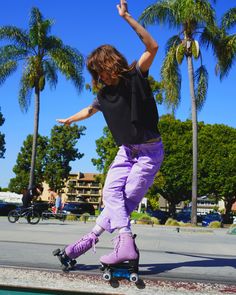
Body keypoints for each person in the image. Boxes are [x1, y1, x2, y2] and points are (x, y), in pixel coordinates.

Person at [55, 0, 164, 269]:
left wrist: (127, 17)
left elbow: (152, 47)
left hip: (149, 153)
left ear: (110, 62)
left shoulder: (136, 75)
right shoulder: (103, 96)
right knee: (111, 195)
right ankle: (124, 244)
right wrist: (70, 118)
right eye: (95, 72)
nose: (99, 75)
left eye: (100, 68)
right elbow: (89, 110)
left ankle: (89, 242)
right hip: (126, 151)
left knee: (124, 202)